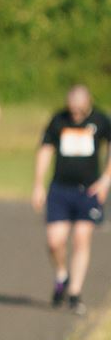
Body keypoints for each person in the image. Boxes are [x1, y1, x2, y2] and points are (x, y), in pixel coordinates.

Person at [33, 84, 111, 316]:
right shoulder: (59, 120)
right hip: (60, 189)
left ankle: (75, 292)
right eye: (72, 110)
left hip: (88, 191)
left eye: (80, 110)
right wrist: (38, 184)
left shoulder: (101, 120)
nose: (75, 114)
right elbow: (45, 150)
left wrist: (106, 179)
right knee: (55, 241)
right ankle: (62, 275)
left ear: (88, 103)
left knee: (81, 238)